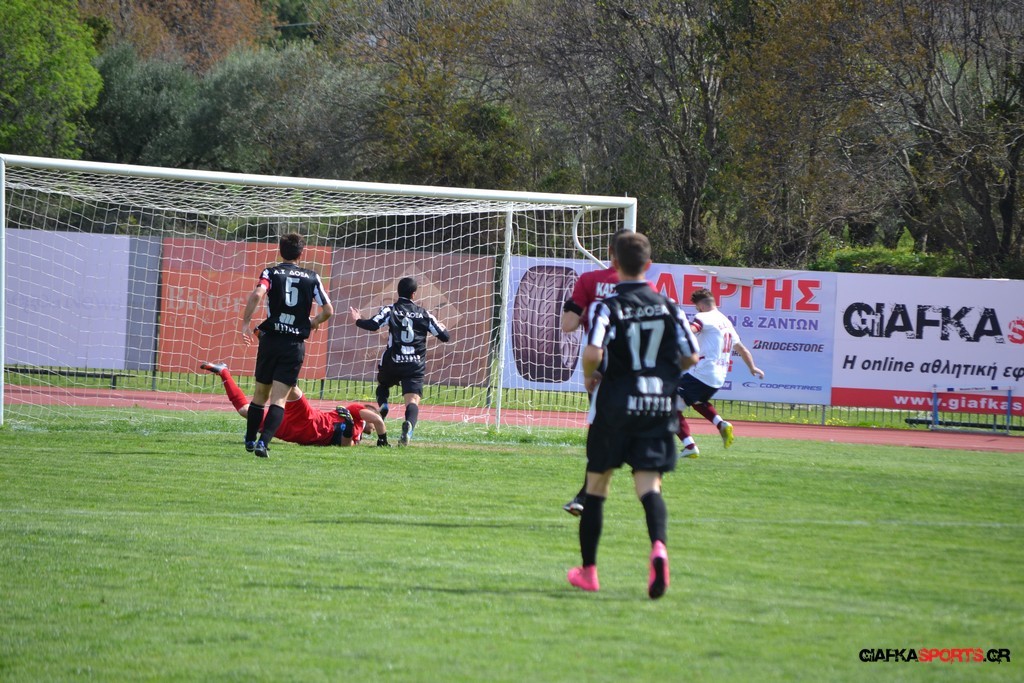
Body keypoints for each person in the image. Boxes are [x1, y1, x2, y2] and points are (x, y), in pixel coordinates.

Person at [567, 231, 699, 599]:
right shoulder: (669, 305)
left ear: (614, 262)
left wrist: (590, 375)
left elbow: (593, 351)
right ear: (648, 265)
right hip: (656, 406)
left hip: (615, 406)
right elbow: (691, 355)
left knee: (596, 487)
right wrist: (663, 374)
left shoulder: (607, 307)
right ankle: (658, 547)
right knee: (649, 487)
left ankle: (589, 572)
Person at [560, 229, 655, 517]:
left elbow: (568, 325)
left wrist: (585, 309)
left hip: (603, 365)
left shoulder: (590, 280)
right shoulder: (649, 289)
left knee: (603, 433)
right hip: (640, 369)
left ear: (611, 252)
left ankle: (586, 496)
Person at [240, 232, 334, 458]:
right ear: (301, 254)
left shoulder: (270, 272)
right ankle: (263, 443)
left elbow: (258, 294)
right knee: (279, 399)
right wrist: (314, 322)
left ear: (280, 251)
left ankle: (250, 438)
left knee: (260, 394)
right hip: (293, 344)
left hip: (271, 341)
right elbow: (328, 310)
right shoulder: (312, 277)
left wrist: (245, 323)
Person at [349, 276, 450, 446]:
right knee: (412, 401)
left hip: (393, 361)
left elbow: (373, 325)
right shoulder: (425, 314)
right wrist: (443, 327)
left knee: (383, 385)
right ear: (414, 294)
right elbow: (445, 336)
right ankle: (408, 425)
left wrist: (358, 319)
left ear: (398, 292)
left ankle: (384, 406)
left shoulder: (390, 310)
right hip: (414, 365)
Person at [200, 362, 389, 447]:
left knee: (245, 411)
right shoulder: (356, 411)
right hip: (309, 420)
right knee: (289, 385)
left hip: (295, 433)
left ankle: (223, 372)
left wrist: (348, 427)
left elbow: (344, 445)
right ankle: (268, 344)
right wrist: (383, 441)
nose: (373, 428)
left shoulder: (355, 430)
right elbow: (378, 421)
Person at [676, 288, 765, 457]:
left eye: (696, 307)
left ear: (701, 306)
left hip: (702, 373)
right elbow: (742, 349)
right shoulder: (726, 321)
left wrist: (678, 321)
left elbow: (690, 331)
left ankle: (689, 446)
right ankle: (721, 424)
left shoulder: (703, 317)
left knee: (668, 408)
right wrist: (752, 368)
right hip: (718, 377)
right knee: (697, 400)